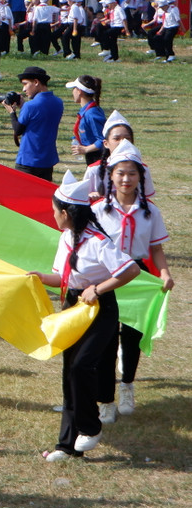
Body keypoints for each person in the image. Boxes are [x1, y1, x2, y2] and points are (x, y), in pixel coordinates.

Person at [31, 173, 139, 461]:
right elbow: (63, 277)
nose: (53, 216)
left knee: (82, 367)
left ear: (66, 213)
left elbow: (130, 270)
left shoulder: (97, 241)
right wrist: (40, 277)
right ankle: (66, 445)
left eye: (55, 211)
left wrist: (98, 289)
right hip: (73, 307)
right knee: (70, 374)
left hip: (100, 310)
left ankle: (91, 428)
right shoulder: (66, 238)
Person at [91, 142, 174, 421]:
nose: (126, 179)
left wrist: (164, 273)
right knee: (103, 338)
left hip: (137, 276)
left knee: (131, 336)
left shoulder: (150, 212)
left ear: (141, 177)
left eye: (132, 174)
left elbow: (156, 249)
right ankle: (105, 401)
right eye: (120, 173)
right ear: (111, 176)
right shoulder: (98, 211)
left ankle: (127, 385)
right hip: (108, 275)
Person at [6, 66, 63, 181]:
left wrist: (12, 112)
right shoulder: (58, 102)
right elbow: (39, 119)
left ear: (36, 82)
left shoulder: (30, 106)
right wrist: (23, 107)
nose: (24, 89)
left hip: (28, 160)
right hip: (47, 160)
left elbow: (18, 130)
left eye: (25, 84)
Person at [64, 75, 106, 165]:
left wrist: (85, 149)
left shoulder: (91, 114)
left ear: (79, 91)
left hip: (98, 158)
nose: (72, 92)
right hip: (92, 156)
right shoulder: (86, 111)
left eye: (74, 89)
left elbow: (102, 140)